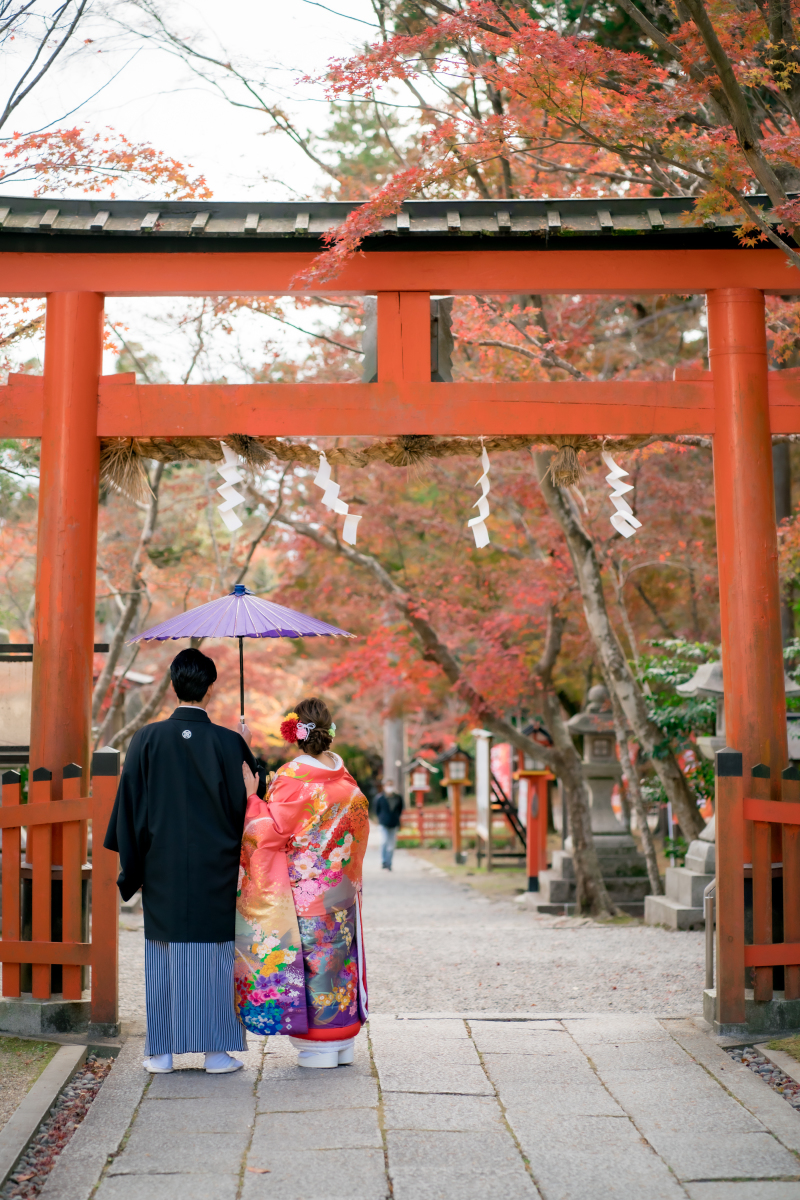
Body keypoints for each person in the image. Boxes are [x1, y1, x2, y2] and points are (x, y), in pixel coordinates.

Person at [104, 647, 264, 1075]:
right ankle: (215, 1052)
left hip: (163, 866)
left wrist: (134, 869)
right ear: (210, 687)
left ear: (174, 685)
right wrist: (247, 753)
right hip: (218, 866)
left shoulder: (146, 739)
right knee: (214, 953)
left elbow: (130, 809)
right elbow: (249, 808)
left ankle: (160, 1053)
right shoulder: (229, 742)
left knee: (164, 954)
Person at [235, 697, 369, 1069]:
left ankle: (321, 1044)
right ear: (328, 730)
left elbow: (269, 834)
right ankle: (342, 1038)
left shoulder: (292, 779)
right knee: (339, 961)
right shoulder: (345, 777)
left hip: (305, 892)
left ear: (295, 733)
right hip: (340, 890)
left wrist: (251, 796)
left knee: (314, 961)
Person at [374, 777, 403, 870]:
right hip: (383, 823)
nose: (389, 787)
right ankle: (384, 861)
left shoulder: (398, 797)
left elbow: (400, 809)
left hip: (394, 823)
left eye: (391, 785)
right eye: (388, 785)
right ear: (384, 786)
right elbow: (376, 810)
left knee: (391, 845)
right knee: (384, 842)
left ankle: (389, 863)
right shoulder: (380, 798)